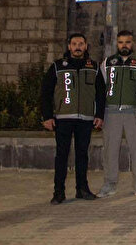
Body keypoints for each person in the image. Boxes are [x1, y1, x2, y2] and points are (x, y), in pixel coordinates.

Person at [40, 33, 106, 204]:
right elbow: (46, 92)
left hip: (85, 119)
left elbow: (101, 93)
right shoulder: (58, 66)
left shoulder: (93, 67)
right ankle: (58, 192)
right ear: (69, 46)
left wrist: (99, 115)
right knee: (61, 156)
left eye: (81, 44)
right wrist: (47, 116)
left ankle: (82, 189)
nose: (78, 47)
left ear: (86, 46)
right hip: (63, 118)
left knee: (82, 155)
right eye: (74, 44)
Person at [97, 30, 136, 198]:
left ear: (132, 43)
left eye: (127, 42)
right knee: (110, 150)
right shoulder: (108, 63)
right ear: (117, 44)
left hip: (133, 111)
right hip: (111, 112)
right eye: (121, 42)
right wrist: (100, 113)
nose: (124, 45)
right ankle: (110, 184)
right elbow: (101, 88)